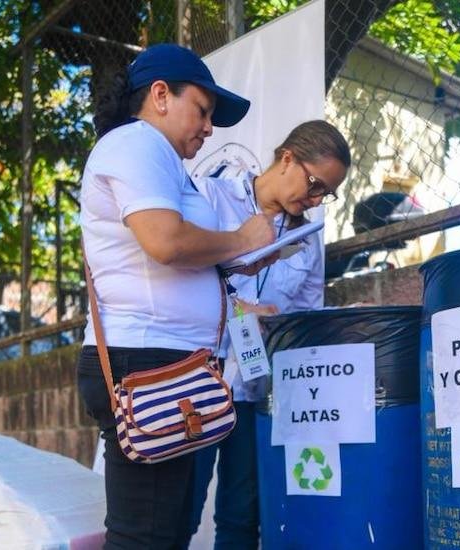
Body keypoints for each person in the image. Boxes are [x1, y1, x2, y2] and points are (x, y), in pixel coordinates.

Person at [76, 43, 276, 549]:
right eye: (202, 111)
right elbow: (165, 242)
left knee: (161, 533)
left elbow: (169, 255)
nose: (209, 128)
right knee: (145, 537)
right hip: (146, 362)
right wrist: (242, 241)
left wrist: (236, 260)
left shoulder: (156, 156)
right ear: (160, 95)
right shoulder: (135, 145)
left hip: (169, 363)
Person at [186, 120, 351, 548]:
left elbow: (307, 315)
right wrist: (242, 309)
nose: (314, 200)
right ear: (288, 157)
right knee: (178, 512)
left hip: (257, 389)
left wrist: (291, 325)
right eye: (314, 185)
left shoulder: (307, 238)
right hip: (201, 381)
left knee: (242, 517)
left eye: (325, 194)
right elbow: (181, 284)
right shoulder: (213, 196)